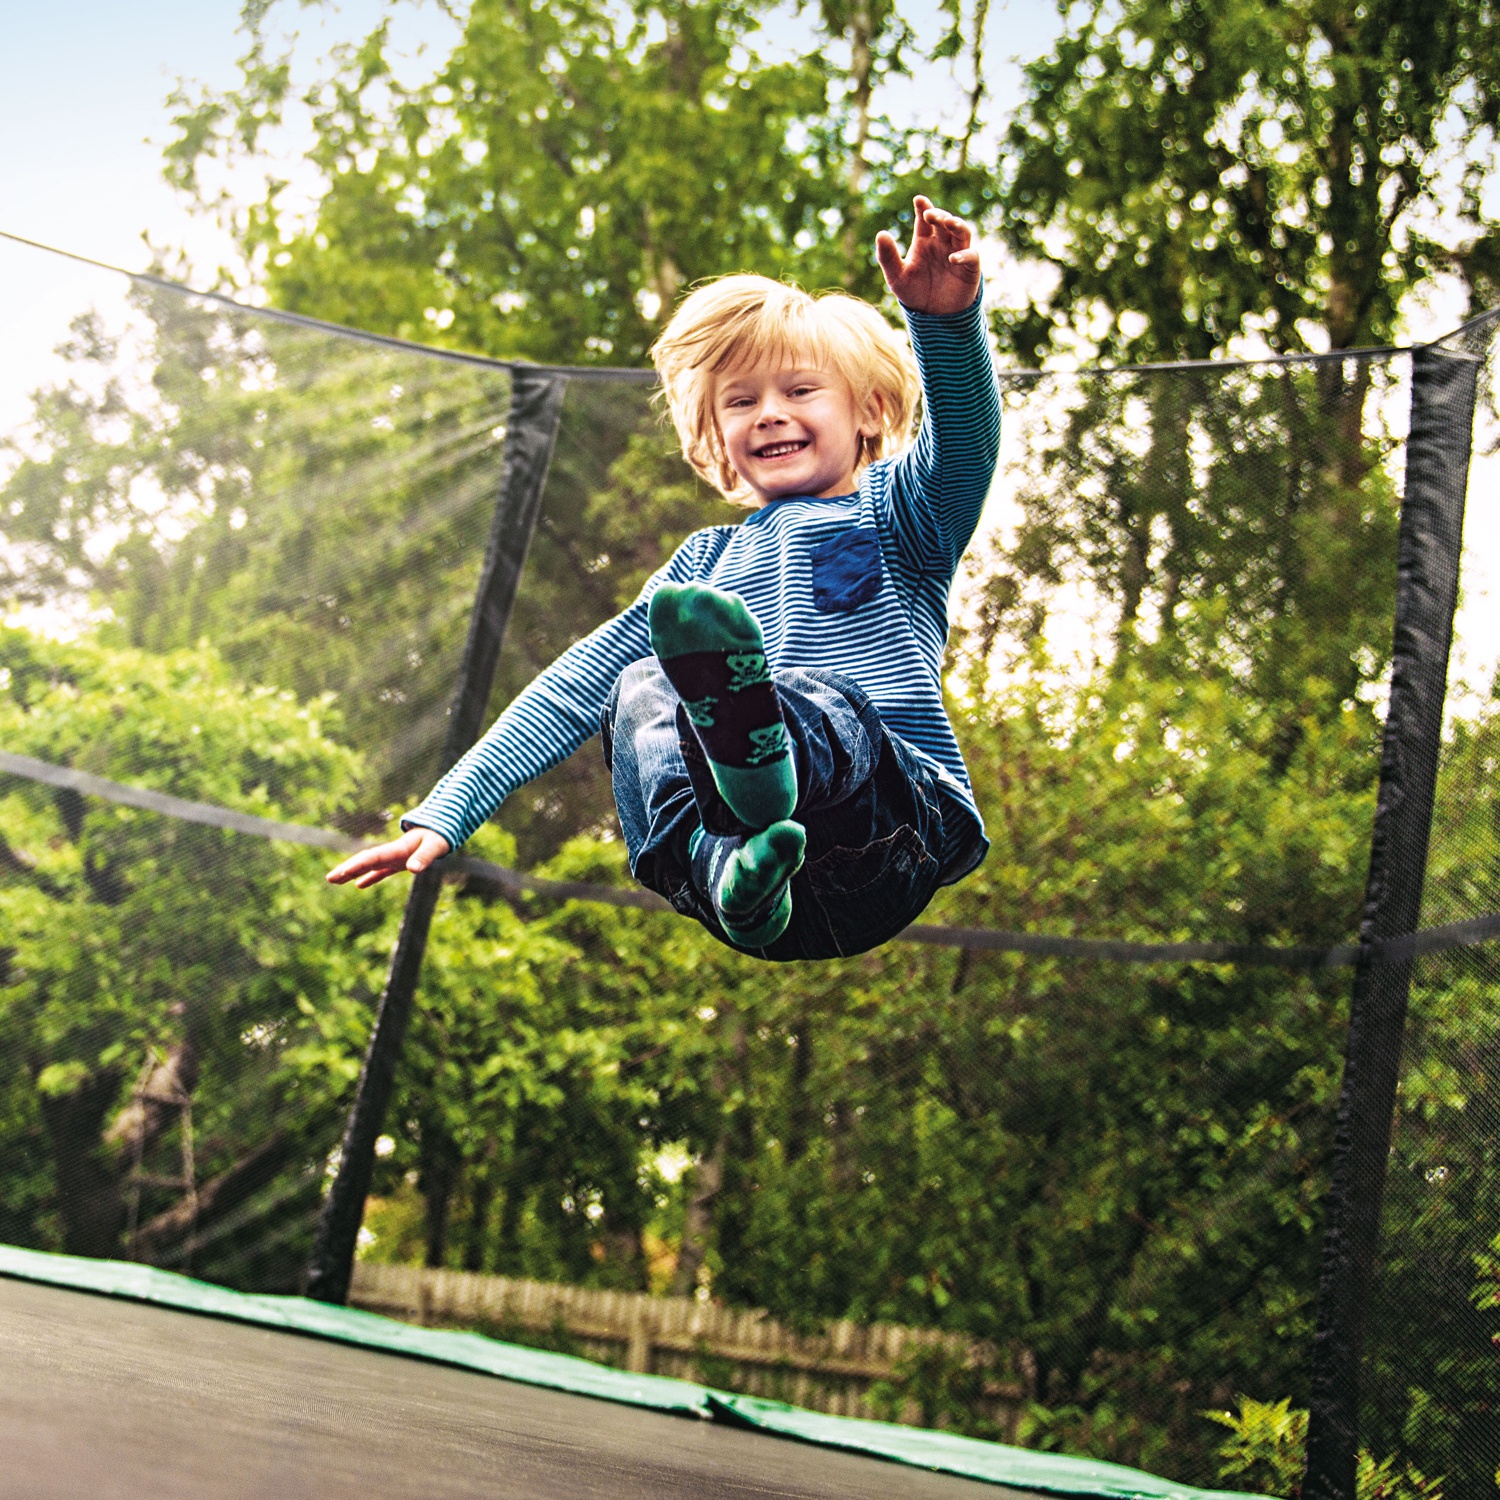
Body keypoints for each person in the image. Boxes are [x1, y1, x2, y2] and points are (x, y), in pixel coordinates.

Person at [328, 196, 1001, 960]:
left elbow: (966, 451)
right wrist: (448, 811)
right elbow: (571, 687)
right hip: (768, 890)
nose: (770, 415)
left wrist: (947, 325)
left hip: (885, 833)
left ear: (870, 410)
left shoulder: (899, 513)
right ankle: (732, 867)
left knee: (828, 699)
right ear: (716, 433)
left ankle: (768, 767)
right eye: (742, 401)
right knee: (638, 682)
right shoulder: (701, 573)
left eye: (800, 391)